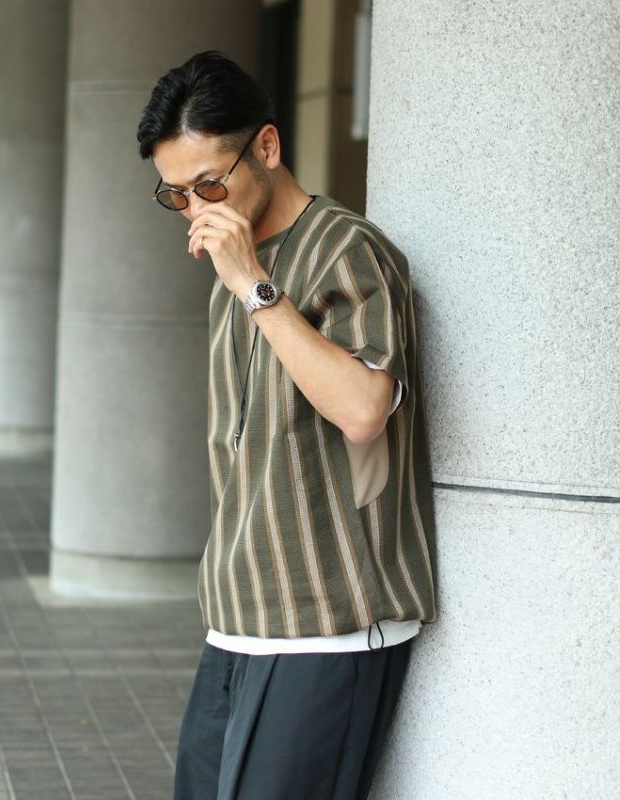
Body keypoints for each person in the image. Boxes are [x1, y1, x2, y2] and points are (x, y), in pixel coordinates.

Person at [137, 51, 438, 800]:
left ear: (266, 146)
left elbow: (365, 410)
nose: (197, 209)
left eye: (210, 184)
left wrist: (255, 286)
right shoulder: (231, 276)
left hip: (331, 619)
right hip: (238, 614)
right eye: (176, 195)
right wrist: (241, 281)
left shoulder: (348, 249)